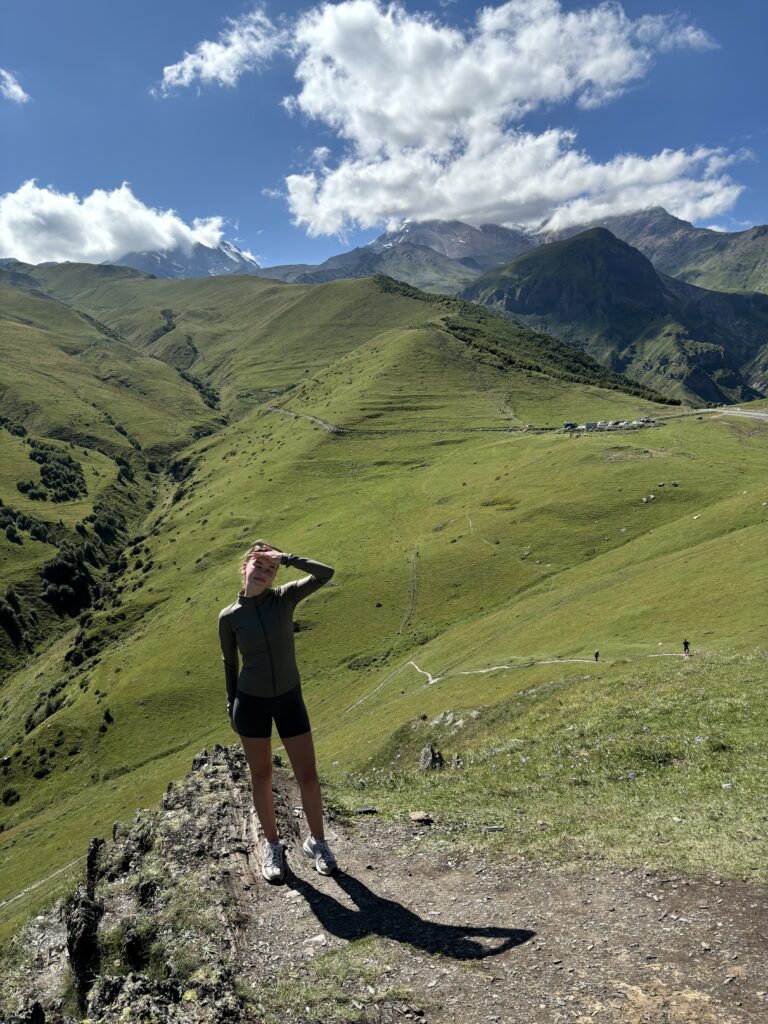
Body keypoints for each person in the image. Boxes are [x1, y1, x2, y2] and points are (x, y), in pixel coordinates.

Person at [218, 540, 336, 883]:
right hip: (250, 702)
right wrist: (231, 705)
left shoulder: (285, 597)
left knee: (308, 776)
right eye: (259, 565)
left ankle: (318, 842)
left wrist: (285, 558)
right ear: (244, 567)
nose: (266, 573)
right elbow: (230, 663)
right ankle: (272, 845)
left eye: (271, 569)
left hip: (289, 699)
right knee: (262, 776)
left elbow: (326, 573)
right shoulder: (229, 617)